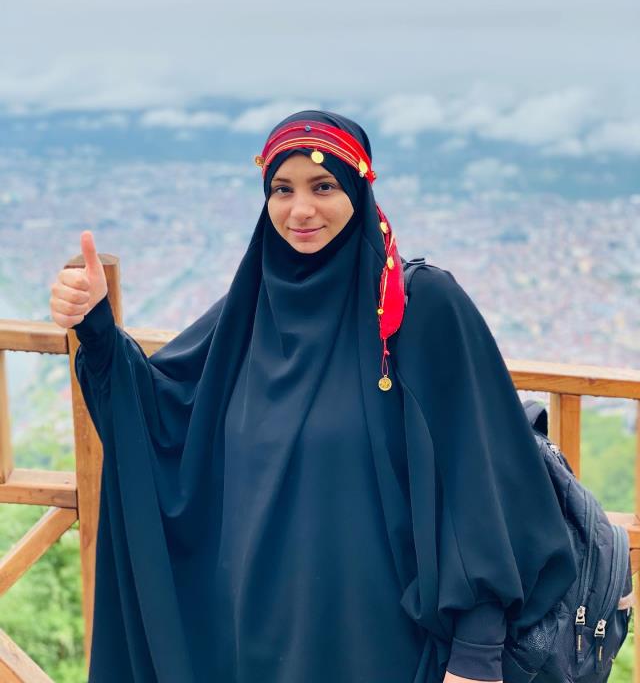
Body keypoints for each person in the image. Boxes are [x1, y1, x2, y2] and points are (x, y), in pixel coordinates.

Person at [49, 110, 577, 683]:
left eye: (323, 186)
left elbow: (479, 479)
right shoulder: (249, 312)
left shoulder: (418, 307)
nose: (300, 210)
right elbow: (165, 419)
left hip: (382, 647)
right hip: (253, 643)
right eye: (282, 189)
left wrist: (476, 654)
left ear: (358, 189)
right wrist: (96, 326)